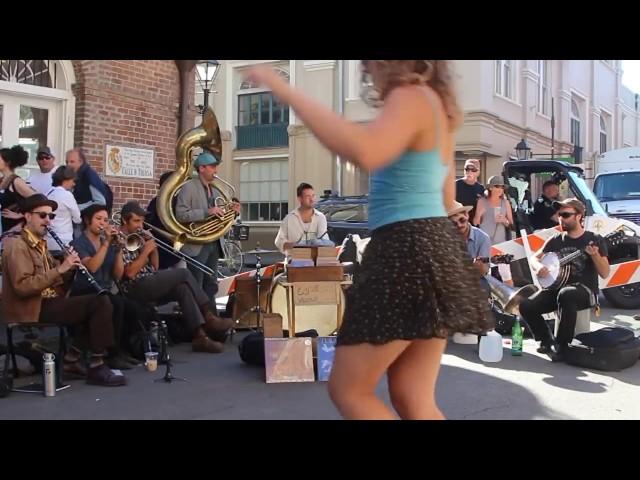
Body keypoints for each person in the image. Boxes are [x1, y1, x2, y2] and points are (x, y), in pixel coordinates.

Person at [245, 60, 491, 420]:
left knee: (349, 390)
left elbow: (367, 151)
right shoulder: (436, 104)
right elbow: (444, 196)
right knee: (412, 397)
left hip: (406, 248)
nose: (367, 69)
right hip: (435, 247)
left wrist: (287, 93)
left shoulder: (410, 95)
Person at [1, 194, 126, 386]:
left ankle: (71, 360)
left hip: (48, 301)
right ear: (27, 216)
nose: (47, 221)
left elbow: (57, 283)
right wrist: (60, 268)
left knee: (100, 300)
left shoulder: (41, 244)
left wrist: (70, 269)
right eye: (42, 216)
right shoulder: (17, 245)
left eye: (51, 217)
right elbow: (23, 287)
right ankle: (96, 364)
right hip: (30, 307)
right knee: (99, 303)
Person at [117, 201, 233, 353]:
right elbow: (129, 273)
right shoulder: (119, 239)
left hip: (149, 279)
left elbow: (155, 267)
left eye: (142, 221)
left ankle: (200, 337)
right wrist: (145, 251)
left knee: (182, 288)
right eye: (136, 221)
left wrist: (153, 248)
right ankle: (209, 316)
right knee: (183, 274)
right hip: (134, 286)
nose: (141, 225)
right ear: (125, 221)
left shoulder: (137, 235)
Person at [519, 198, 610, 361]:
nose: (561, 218)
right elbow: (534, 258)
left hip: (584, 291)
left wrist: (595, 254)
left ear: (579, 216)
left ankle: (562, 345)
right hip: (557, 289)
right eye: (560, 214)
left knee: (566, 294)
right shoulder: (555, 240)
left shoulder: (594, 239)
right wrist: (539, 267)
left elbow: (605, 272)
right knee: (526, 305)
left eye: (566, 214)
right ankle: (545, 340)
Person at [70, 204, 142, 369]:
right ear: (88, 221)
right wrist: (106, 244)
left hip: (103, 290)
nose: (102, 223)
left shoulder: (106, 243)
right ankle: (110, 354)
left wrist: (118, 251)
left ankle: (122, 350)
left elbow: (117, 274)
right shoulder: (78, 243)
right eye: (98, 219)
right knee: (115, 305)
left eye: (105, 219)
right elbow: (93, 267)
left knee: (132, 308)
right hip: (84, 291)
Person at [174, 151, 240, 312]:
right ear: (201, 168)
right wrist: (206, 212)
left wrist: (233, 212)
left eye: (215, 167)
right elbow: (180, 214)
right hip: (197, 244)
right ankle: (198, 322)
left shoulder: (216, 190)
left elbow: (222, 215)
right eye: (212, 167)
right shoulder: (189, 187)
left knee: (211, 284)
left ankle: (211, 318)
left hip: (214, 242)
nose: (215, 170)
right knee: (196, 284)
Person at [473, 175, 515, 286]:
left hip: (501, 244)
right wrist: (479, 214)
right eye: (497, 186)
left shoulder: (505, 203)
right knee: (485, 273)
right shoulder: (482, 201)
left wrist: (504, 221)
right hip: (484, 244)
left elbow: (512, 225)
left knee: (506, 273)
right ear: (490, 188)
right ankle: (488, 299)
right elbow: (475, 223)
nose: (500, 189)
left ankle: (511, 299)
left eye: (502, 187)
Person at [275, 182, 329, 255]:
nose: (312, 199)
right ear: (299, 199)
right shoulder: (289, 218)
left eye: (313, 196)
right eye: (308, 196)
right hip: (294, 261)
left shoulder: (320, 217)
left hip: (315, 262)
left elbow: (324, 241)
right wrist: (292, 245)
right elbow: (279, 241)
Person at [146, 171, 182, 270]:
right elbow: (148, 224)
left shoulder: (178, 201)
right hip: (161, 250)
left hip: (177, 251)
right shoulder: (155, 202)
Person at [447, 201, 490, 280]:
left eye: (462, 220)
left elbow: (484, 271)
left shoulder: (482, 238)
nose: (459, 225)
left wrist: (480, 267)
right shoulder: (446, 238)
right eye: (454, 223)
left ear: (467, 215)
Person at [46, 166, 81, 257]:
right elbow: (77, 218)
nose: (73, 184)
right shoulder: (67, 195)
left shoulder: (48, 193)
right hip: (63, 241)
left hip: (48, 240)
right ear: (67, 179)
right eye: (73, 180)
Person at [0, 145, 37, 233]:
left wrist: (21, 215)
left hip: (13, 229)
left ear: (7, 162)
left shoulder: (16, 181)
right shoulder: (2, 180)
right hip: (3, 227)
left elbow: (37, 199)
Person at [65, 148, 112, 212]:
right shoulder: (76, 176)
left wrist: (78, 207)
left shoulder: (88, 176)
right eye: (67, 162)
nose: (68, 165)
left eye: (72, 162)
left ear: (81, 162)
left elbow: (100, 201)